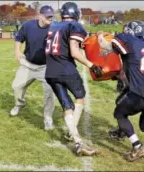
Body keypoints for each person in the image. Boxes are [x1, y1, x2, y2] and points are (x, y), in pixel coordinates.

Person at [97, 21, 144, 169]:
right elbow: (141, 71)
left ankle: (137, 146)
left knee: (119, 113)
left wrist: (99, 36)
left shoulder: (130, 40)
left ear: (137, 33)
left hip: (140, 91)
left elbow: (105, 46)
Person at [45, 2, 102, 156]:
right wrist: (91, 65)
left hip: (50, 71)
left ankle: (76, 140)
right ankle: (73, 134)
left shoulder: (54, 26)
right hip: (66, 69)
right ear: (76, 13)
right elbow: (74, 52)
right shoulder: (75, 26)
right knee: (80, 97)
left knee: (66, 106)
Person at [10, 5, 55, 131]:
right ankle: (19, 104)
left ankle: (47, 118)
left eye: (52, 16)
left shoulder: (55, 28)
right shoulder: (28, 25)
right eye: (48, 17)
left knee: (49, 92)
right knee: (16, 86)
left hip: (46, 67)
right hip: (28, 64)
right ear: (40, 16)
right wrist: (17, 52)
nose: (50, 19)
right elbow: (19, 38)